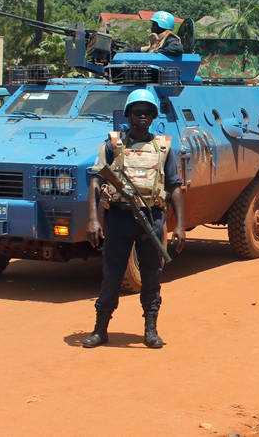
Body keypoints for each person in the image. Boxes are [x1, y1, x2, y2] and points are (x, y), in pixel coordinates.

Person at [82, 89, 186, 349]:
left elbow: (174, 186)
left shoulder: (162, 148)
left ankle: (150, 330)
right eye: (137, 111)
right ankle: (100, 329)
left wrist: (180, 226)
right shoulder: (113, 146)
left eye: (148, 112)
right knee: (112, 276)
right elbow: (95, 180)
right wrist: (93, 220)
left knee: (152, 277)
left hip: (152, 219)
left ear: (153, 116)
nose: (142, 116)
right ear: (127, 114)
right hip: (118, 219)